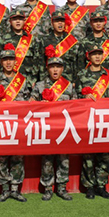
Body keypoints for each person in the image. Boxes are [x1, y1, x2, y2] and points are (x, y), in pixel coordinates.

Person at [75, 45, 109, 200]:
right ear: (89, 57)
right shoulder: (82, 75)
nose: (97, 57)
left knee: (105, 155)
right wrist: (83, 97)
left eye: (99, 54)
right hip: (88, 120)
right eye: (94, 54)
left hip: (105, 120)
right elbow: (75, 96)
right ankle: (89, 186)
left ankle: (101, 186)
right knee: (89, 156)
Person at [0, 49, 30, 202]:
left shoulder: (22, 80)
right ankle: (5, 189)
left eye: (11, 59)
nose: (8, 62)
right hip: (1, 124)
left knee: (18, 157)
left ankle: (15, 189)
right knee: (1, 157)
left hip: (18, 124)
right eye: (5, 59)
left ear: (15, 62)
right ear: (1, 62)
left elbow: (30, 100)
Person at [32, 56, 75, 201]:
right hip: (47, 128)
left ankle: (62, 188)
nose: (55, 70)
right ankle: (48, 188)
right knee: (47, 159)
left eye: (58, 67)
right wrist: (40, 104)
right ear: (47, 69)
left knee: (64, 159)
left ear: (62, 69)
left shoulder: (68, 86)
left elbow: (76, 106)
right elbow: (31, 104)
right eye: (52, 67)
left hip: (63, 128)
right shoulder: (40, 85)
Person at [38, 11, 83, 83]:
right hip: (49, 81)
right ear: (52, 23)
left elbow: (77, 63)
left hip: (68, 81)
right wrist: (42, 80)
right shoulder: (44, 40)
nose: (60, 23)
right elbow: (41, 62)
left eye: (62, 21)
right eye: (57, 21)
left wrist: (76, 81)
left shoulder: (72, 41)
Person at [0, 9, 40, 83]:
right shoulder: (3, 39)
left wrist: (34, 80)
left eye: (20, 19)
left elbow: (36, 61)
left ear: (24, 21)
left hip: (27, 80)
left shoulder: (32, 39)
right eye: (14, 19)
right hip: (8, 82)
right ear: (10, 21)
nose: (18, 21)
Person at [80, 9, 109, 74]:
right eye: (95, 21)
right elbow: (80, 65)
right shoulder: (84, 42)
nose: (98, 23)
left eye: (101, 21)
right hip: (90, 78)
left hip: (107, 77)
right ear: (91, 23)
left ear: (105, 22)